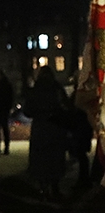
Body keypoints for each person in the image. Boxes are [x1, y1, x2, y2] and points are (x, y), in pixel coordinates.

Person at [23, 65, 69, 200]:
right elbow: (66, 106)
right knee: (56, 157)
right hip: (56, 127)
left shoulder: (35, 90)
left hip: (40, 128)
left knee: (41, 157)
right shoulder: (57, 88)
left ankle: (43, 187)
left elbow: (27, 111)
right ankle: (55, 187)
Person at [0, 69, 15, 155]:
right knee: (5, 128)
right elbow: (11, 97)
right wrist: (10, 107)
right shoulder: (8, 85)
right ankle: (6, 148)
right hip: (5, 109)